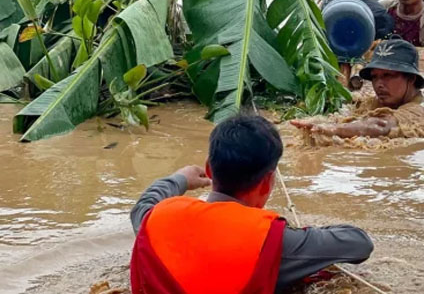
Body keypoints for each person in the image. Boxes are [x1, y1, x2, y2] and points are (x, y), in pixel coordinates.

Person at [129, 115, 373, 293]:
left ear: (208, 169)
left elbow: (145, 203)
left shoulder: (156, 220)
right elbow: (359, 244)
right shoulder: (274, 239)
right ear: (268, 182)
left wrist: (180, 178)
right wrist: (302, 236)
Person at [291, 38, 424, 138]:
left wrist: (332, 129)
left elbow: (382, 126)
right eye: (374, 77)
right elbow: (351, 111)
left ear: (411, 78)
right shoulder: (377, 102)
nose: (379, 84)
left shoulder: (418, 109)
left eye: (388, 75)